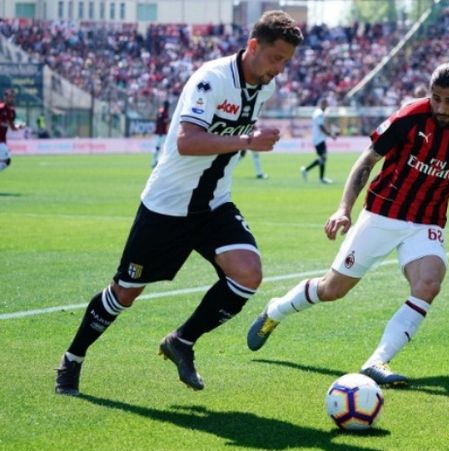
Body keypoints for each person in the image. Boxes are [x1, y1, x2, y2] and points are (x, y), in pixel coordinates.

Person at [54, 10, 304, 396]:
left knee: (248, 274)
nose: (280, 69)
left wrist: (250, 134)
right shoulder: (212, 79)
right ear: (253, 46)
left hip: (213, 204)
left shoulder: (263, 87)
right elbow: (187, 141)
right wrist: (247, 141)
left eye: (286, 61)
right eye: (276, 58)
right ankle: (72, 360)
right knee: (125, 293)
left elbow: (234, 129)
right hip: (167, 207)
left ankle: (182, 341)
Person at [246, 63, 449, 387]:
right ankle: (276, 310)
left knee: (428, 284)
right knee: (332, 290)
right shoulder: (409, 117)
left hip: (427, 222)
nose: (441, 107)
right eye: (436, 98)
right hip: (383, 213)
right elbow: (367, 161)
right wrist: (344, 209)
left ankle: (377, 361)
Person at [301, 98, 336, 184]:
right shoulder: (319, 113)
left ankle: (319, 177)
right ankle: (306, 170)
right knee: (323, 157)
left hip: (319, 138)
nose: (326, 106)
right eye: (325, 104)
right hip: (319, 139)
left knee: (323, 158)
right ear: (322, 104)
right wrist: (330, 134)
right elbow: (321, 127)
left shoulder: (318, 112)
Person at [0, 89, 23, 173]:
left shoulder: (11, 111)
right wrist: (5, 124)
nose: (11, 98)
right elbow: (4, 124)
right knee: (6, 161)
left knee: (5, 162)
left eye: (12, 97)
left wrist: (19, 126)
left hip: (2, 140)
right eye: (9, 96)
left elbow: (12, 127)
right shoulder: (1, 108)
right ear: (4, 97)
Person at [151, 100, 170, 168]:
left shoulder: (165, 112)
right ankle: (154, 162)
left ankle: (158, 161)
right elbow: (159, 120)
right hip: (160, 133)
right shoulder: (162, 112)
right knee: (157, 148)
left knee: (163, 148)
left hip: (163, 133)